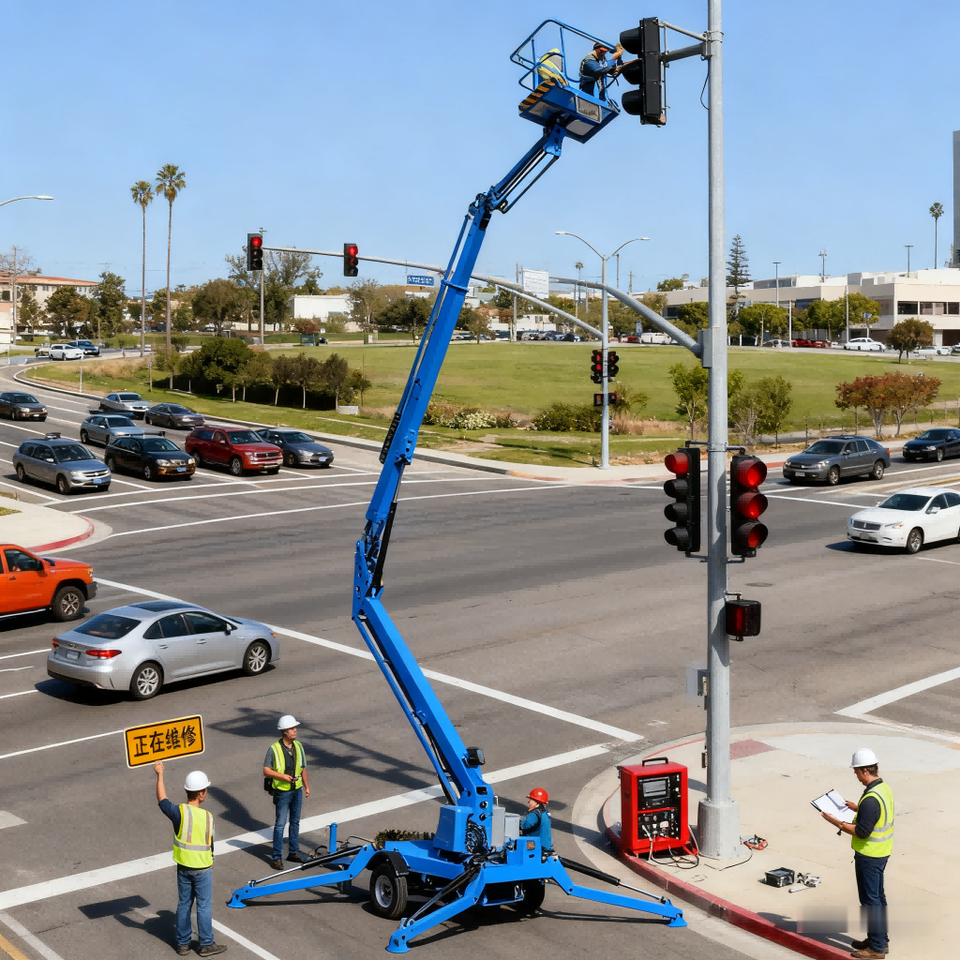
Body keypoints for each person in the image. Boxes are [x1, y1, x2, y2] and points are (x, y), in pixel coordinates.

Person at [819, 748, 893, 959]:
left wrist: (836, 822)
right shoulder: (882, 789)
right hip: (881, 852)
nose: (856, 776)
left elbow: (861, 831)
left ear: (864, 771)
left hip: (870, 855)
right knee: (878, 898)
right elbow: (876, 814)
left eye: (856, 772)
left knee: (870, 902)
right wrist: (857, 808)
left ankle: (876, 948)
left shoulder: (870, 799)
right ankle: (880, 940)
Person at [154, 761, 226, 957]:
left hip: (183, 866)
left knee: (184, 904)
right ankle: (206, 943)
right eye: (205, 790)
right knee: (203, 906)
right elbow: (210, 844)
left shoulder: (179, 812)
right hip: (202, 868)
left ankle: (183, 944)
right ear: (201, 793)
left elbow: (162, 800)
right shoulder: (208, 817)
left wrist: (160, 774)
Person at [263, 714, 310, 870]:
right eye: (292, 728)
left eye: (295, 727)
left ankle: (293, 852)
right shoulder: (274, 749)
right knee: (280, 824)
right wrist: (282, 776)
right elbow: (266, 770)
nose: (295, 730)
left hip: (296, 790)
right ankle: (277, 858)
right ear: (284, 731)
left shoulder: (299, 746)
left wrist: (307, 786)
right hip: (282, 792)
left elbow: (302, 768)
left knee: (295, 822)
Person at [519, 787, 553, 855]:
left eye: (531, 800)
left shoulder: (534, 815)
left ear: (537, 803)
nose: (528, 802)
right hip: (547, 848)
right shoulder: (545, 814)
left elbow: (524, 825)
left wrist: (515, 822)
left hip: (537, 849)